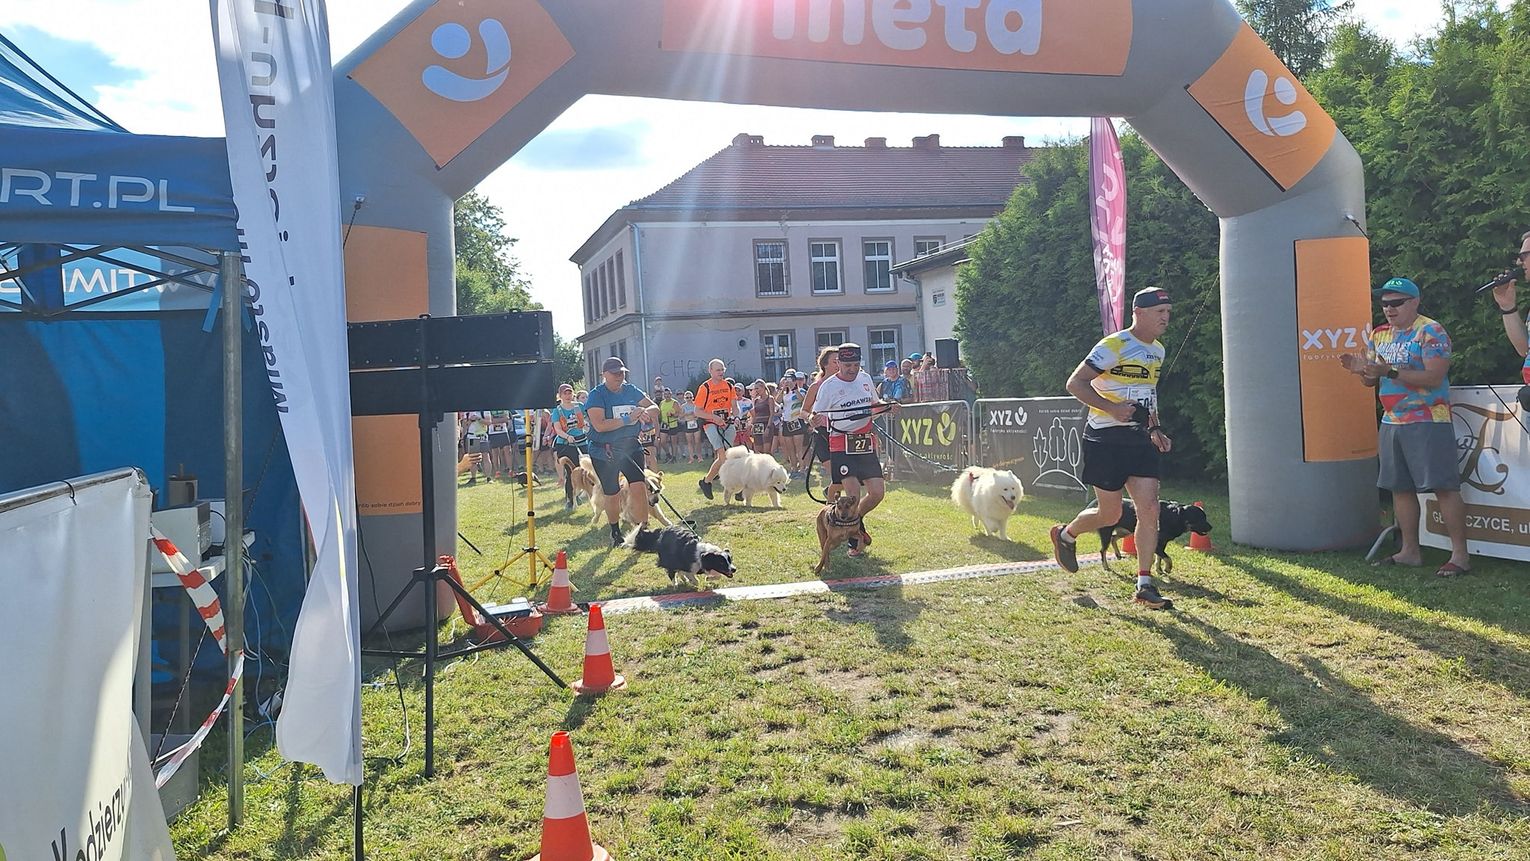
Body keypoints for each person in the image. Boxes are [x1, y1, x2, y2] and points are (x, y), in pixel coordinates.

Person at [1049, 287, 1176, 609]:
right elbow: (1075, 383)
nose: (1165, 318)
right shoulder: (1114, 345)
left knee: (1150, 508)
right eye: (1159, 312)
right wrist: (1111, 408)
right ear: (1139, 313)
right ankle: (1066, 534)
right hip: (1105, 438)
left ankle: (1144, 584)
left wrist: (1156, 428)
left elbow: (1148, 394)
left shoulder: (1158, 351)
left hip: (1139, 439)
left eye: (1168, 312)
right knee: (1111, 513)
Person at [1341, 277, 1470, 577]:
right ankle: (1410, 551)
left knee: (1444, 487)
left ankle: (1460, 556)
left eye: (1396, 303)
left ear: (1414, 302)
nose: (1389, 309)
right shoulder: (1379, 334)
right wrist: (1362, 371)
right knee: (1399, 487)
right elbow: (1371, 380)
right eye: (1385, 303)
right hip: (1391, 420)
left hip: (1429, 419)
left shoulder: (1431, 331)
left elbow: (1434, 377)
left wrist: (1389, 371)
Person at [803, 343, 900, 557]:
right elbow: (814, 414)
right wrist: (814, 419)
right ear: (839, 364)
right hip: (841, 444)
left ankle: (855, 522)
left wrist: (888, 406)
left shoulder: (865, 379)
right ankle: (853, 540)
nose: (852, 370)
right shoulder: (828, 386)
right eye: (848, 365)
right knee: (853, 493)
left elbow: (875, 404)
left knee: (877, 493)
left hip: (864, 441)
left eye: (856, 365)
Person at [584, 357, 658, 545]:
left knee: (639, 486)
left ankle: (643, 529)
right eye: (615, 373)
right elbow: (600, 425)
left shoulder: (631, 390)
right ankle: (615, 531)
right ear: (604, 374)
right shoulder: (596, 395)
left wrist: (644, 411)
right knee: (612, 492)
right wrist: (628, 419)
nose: (619, 376)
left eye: (622, 373)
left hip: (631, 446)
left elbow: (654, 407)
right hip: (604, 450)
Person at [696, 359, 742, 500]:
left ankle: (706, 482)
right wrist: (714, 418)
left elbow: (735, 406)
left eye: (722, 370)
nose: (721, 372)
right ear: (710, 371)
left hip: (727, 423)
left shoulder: (728, 386)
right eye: (718, 370)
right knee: (723, 455)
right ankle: (737, 487)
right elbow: (697, 411)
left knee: (726, 456)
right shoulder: (705, 388)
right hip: (710, 424)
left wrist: (736, 417)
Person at [550, 384, 590, 510]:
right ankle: (570, 500)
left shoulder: (580, 406)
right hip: (565, 443)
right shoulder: (557, 411)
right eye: (565, 393)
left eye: (569, 393)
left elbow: (587, 419)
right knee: (570, 471)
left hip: (581, 441)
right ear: (560, 395)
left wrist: (587, 425)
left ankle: (581, 493)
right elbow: (557, 429)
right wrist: (567, 436)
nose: (567, 396)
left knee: (584, 470)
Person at [657, 388, 680, 463]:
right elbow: (660, 413)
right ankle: (668, 454)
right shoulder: (662, 403)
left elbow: (678, 413)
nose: (667, 396)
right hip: (664, 424)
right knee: (662, 441)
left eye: (668, 394)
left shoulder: (675, 403)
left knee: (673, 442)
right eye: (665, 394)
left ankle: (674, 457)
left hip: (672, 424)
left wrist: (672, 414)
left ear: (671, 394)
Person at [680, 390, 701, 462]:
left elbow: (700, 413)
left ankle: (699, 456)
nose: (689, 399)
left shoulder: (696, 404)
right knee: (689, 442)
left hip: (695, 422)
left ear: (693, 397)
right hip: (688, 423)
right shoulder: (683, 406)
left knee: (697, 441)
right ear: (685, 398)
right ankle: (691, 458)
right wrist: (687, 414)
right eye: (687, 397)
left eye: (690, 397)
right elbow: (680, 416)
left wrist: (695, 415)